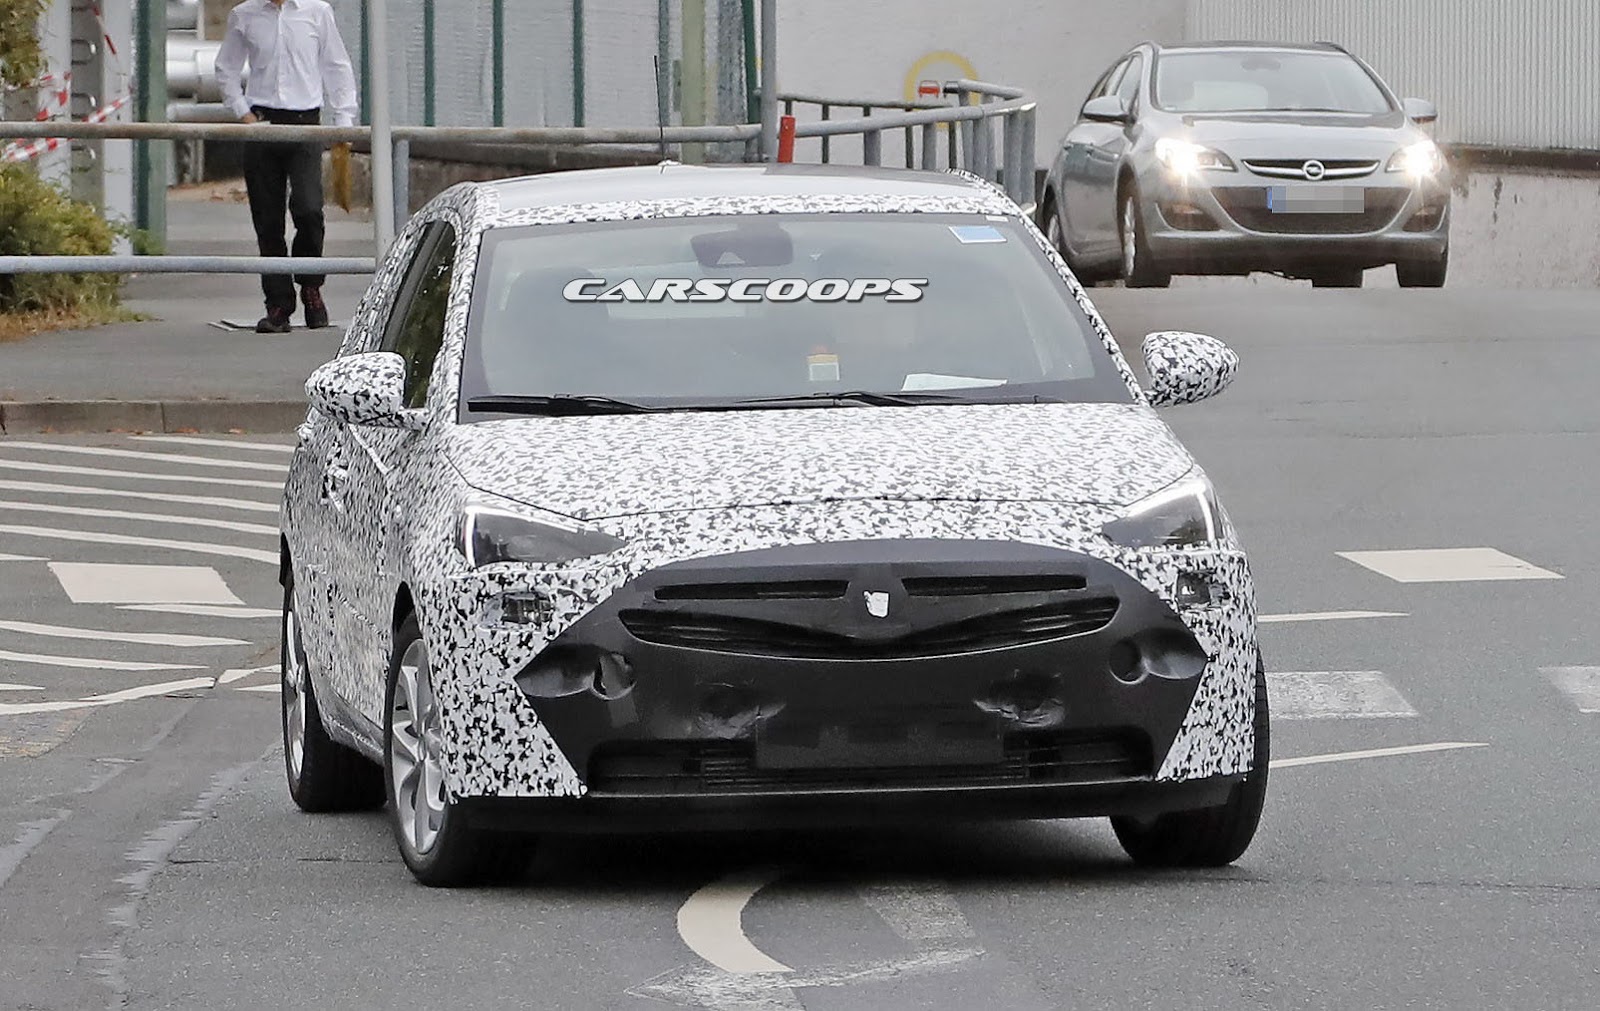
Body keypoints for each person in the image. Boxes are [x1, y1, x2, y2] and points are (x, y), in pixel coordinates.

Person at [214, 0, 358, 334]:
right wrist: (243, 113)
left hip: (305, 122)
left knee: (309, 209)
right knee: (268, 218)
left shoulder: (317, 12)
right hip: (262, 122)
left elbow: (336, 65)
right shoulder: (244, 15)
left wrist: (344, 120)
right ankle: (278, 304)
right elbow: (226, 68)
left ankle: (311, 285)